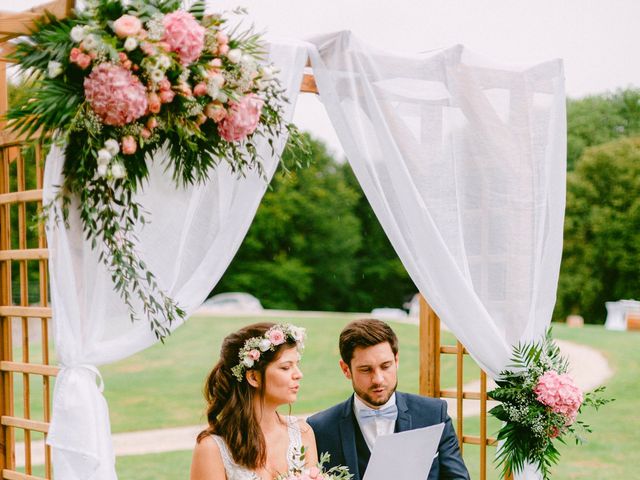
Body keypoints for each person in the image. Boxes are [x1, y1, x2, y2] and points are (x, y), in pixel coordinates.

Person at [307, 319, 470, 480]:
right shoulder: (320, 429)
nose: (378, 379)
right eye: (366, 370)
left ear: (396, 361)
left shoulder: (434, 414)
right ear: (346, 369)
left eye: (385, 366)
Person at [190, 322, 318, 480]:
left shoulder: (303, 433)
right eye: (286, 367)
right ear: (253, 377)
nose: (298, 374)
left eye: (296, 365)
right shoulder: (212, 448)